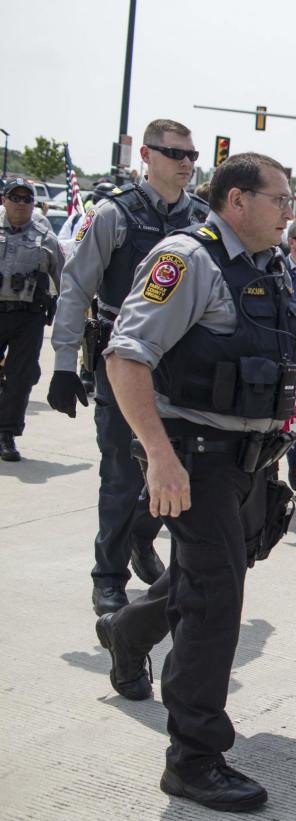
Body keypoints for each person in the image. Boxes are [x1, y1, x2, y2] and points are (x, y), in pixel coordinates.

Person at [94, 152, 296, 810]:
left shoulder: (268, 263)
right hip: (191, 458)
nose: (293, 210)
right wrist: (159, 455)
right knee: (216, 603)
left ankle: (130, 630)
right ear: (236, 201)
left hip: (247, 459)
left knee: (212, 572)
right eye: (280, 199)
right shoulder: (189, 260)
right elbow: (126, 358)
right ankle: (193, 757)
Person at [48, 118, 209, 615]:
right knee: (121, 472)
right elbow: (76, 287)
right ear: (146, 154)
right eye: (174, 153)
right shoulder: (113, 214)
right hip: (124, 358)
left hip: (184, 363)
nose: (186, 163)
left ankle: (142, 536)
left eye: (192, 155)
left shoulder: (203, 218)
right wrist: (61, 363)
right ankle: (109, 577)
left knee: (181, 466)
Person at [0, 178, 64, 462]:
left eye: (27, 199)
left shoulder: (45, 238)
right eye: (16, 197)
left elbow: (65, 280)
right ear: (4, 199)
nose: (21, 204)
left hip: (28, 318)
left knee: (21, 377)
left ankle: (7, 434)